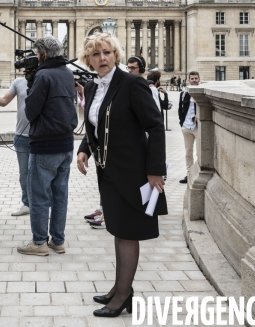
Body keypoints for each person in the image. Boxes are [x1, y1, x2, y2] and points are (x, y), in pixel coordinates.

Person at [76, 32, 167, 318]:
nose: (102, 58)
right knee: (117, 229)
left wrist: (155, 170)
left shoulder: (132, 84)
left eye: (107, 52)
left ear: (115, 55)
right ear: (88, 60)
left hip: (134, 172)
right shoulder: (92, 87)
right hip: (108, 172)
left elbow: (154, 126)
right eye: (95, 54)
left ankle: (123, 297)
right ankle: (119, 287)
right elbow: (94, 122)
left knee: (128, 233)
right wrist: (84, 150)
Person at [17, 36, 77, 256]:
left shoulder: (43, 75)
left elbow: (31, 111)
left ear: (43, 54)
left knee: (39, 195)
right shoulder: (67, 73)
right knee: (60, 194)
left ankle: (39, 242)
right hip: (66, 143)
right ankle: (58, 241)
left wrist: (31, 84)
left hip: (45, 144)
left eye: (36, 52)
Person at [0, 77, 30, 217]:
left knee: (41, 174)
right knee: (24, 174)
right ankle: (27, 204)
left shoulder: (45, 77)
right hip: (22, 136)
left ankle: (43, 205)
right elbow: (3, 101)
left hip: (41, 137)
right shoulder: (18, 82)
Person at [178, 71, 200, 184]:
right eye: (192, 78)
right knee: (188, 152)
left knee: (199, 152)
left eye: (196, 78)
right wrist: (181, 123)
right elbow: (180, 109)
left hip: (198, 127)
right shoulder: (183, 94)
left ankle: (198, 174)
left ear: (199, 79)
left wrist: (199, 116)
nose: (194, 80)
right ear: (188, 80)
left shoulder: (202, 93)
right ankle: (189, 174)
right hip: (186, 126)